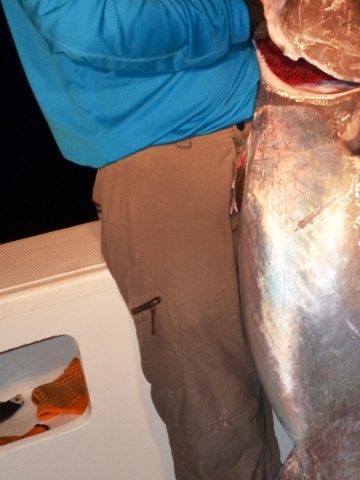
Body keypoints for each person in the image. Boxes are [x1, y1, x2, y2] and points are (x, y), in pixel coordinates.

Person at [1, 0, 281, 478]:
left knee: (351, 383)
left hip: (289, 127)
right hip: (167, 163)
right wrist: (246, 11)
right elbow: (89, 25)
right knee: (219, 421)